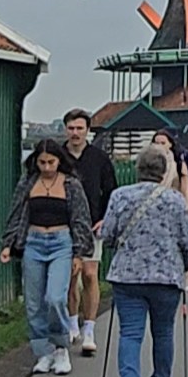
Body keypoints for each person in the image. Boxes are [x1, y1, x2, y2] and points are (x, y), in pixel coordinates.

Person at [100, 144, 188, 377]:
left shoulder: (120, 197)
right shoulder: (176, 200)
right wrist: (186, 265)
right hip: (166, 277)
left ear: (138, 170)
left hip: (127, 277)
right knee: (163, 331)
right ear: (164, 171)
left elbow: (107, 234)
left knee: (130, 333)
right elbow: (187, 242)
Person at [0, 139, 94, 376]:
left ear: (59, 160)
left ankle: (61, 346)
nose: (47, 167)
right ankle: (43, 352)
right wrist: (8, 244)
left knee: (55, 297)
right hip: (34, 242)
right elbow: (17, 213)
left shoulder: (71, 184)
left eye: (51, 162)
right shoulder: (29, 182)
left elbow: (81, 218)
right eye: (42, 162)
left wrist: (79, 253)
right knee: (33, 302)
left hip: (61, 243)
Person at [62, 108, 119, 355]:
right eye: (71, 128)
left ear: (87, 130)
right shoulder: (58, 156)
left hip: (93, 223)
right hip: (64, 225)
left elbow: (111, 191)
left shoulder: (99, 158)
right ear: (66, 129)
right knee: (69, 278)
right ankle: (72, 323)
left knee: (89, 273)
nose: (75, 133)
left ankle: (89, 328)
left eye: (80, 128)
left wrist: (105, 219)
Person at [152, 129, 188, 285]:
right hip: (157, 206)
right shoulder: (151, 160)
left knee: (185, 239)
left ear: (171, 144)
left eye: (163, 143)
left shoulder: (183, 157)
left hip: (180, 202)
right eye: (156, 142)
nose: (159, 146)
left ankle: (186, 274)